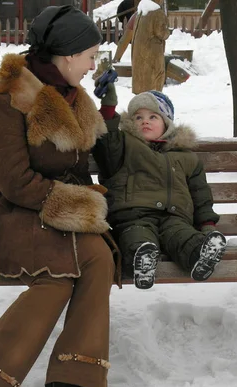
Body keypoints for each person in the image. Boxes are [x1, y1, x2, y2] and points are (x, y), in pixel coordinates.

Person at [0, 5, 121, 387]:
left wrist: (110, 108)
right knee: (58, 278)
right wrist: (77, 205)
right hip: (17, 217)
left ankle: (69, 379)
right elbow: (13, 180)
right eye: (91, 56)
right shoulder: (13, 97)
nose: (94, 65)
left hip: (59, 218)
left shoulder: (75, 97)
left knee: (99, 259)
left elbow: (99, 159)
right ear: (69, 55)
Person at [92, 83, 226, 290]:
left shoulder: (186, 157)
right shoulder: (123, 147)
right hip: (134, 216)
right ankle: (142, 261)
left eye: (153, 117)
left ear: (167, 123)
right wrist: (108, 106)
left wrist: (207, 225)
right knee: (138, 236)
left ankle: (201, 255)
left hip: (175, 216)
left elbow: (200, 195)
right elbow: (106, 139)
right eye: (138, 117)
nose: (145, 121)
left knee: (182, 236)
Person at [130, 0, 170, 93]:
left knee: (141, 81)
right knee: (154, 80)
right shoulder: (157, 13)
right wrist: (167, 31)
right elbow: (162, 33)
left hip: (139, 53)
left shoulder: (140, 13)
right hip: (152, 55)